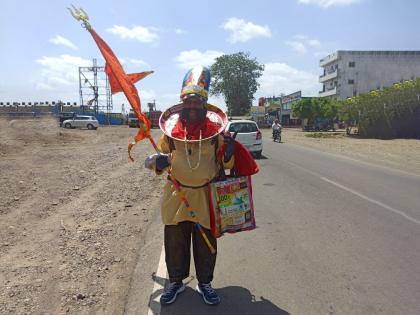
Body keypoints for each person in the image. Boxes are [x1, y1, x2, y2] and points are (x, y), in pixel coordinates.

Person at [145, 66, 235, 306]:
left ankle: (205, 283)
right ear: (183, 104)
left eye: (197, 102)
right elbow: (152, 161)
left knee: (206, 243)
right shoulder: (171, 132)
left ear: (204, 105)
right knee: (175, 240)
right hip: (177, 196)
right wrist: (158, 161)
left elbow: (227, 163)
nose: (192, 106)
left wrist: (230, 150)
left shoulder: (217, 133)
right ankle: (175, 282)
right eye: (189, 102)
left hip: (206, 197)